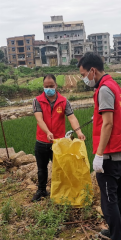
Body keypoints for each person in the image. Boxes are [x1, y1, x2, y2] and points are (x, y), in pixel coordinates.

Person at [78, 52, 121, 240]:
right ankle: (116, 229)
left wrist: (99, 154)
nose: (84, 79)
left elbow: (108, 123)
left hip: (111, 155)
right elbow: (109, 117)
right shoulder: (114, 85)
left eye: (84, 74)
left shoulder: (104, 89)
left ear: (92, 70)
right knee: (118, 195)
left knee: (108, 200)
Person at [32, 74, 86, 202]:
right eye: (46, 86)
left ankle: (61, 192)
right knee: (41, 169)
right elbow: (39, 119)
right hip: (41, 141)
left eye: (51, 86)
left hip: (58, 143)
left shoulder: (64, 101)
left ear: (56, 86)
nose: (49, 88)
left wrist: (79, 132)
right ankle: (41, 190)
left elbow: (71, 117)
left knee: (60, 169)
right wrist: (47, 132)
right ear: (43, 86)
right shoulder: (37, 100)